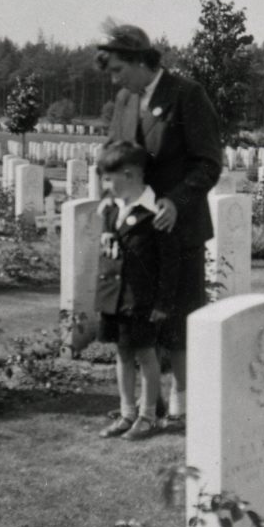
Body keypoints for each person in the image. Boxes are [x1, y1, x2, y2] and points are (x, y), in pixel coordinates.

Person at [96, 23, 223, 432]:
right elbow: (114, 158)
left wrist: (176, 201)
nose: (115, 80)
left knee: (179, 320)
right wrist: (109, 208)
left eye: (119, 70)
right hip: (133, 233)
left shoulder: (186, 95)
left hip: (176, 227)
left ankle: (182, 404)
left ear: (139, 60)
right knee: (134, 318)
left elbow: (208, 162)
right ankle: (137, 408)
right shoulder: (124, 100)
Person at [95, 141, 181, 441]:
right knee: (122, 354)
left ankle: (148, 416)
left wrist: (163, 302)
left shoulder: (155, 213)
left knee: (146, 355)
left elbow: (169, 265)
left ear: (130, 175)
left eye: (109, 179)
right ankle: (126, 412)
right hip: (114, 297)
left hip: (142, 299)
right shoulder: (111, 209)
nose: (104, 185)